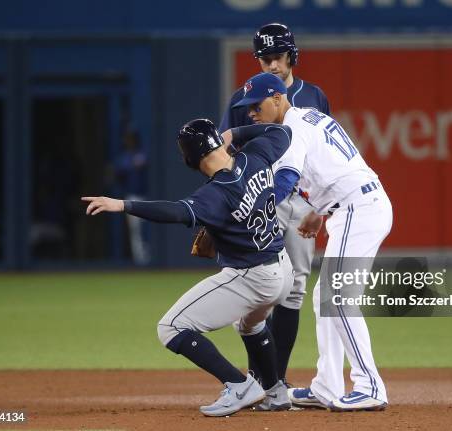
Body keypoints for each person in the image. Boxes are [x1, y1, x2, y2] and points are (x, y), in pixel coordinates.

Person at [82, 119, 295, 416]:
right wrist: (237, 133)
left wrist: (124, 205)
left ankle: (240, 385)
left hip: (253, 275)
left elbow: (178, 212)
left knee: (170, 327)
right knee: (250, 324)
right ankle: (275, 391)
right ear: (219, 142)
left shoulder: (217, 192)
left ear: (190, 160)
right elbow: (282, 131)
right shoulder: (256, 156)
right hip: (283, 269)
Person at [229, 72, 392, 411]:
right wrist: (318, 210)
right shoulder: (307, 116)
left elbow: (287, 177)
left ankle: (370, 386)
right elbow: (332, 163)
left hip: (358, 209)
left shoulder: (294, 128)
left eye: (256, 106)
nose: (251, 113)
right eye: (247, 108)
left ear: (277, 98)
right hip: (353, 204)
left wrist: (257, 208)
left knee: (336, 297)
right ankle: (327, 387)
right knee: (325, 298)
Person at [220, 22, 330, 387]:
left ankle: (275, 382)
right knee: (257, 282)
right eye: (264, 59)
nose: (271, 65)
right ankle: (258, 376)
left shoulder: (313, 95)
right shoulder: (246, 97)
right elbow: (223, 151)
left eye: (277, 58)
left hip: (300, 199)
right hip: (258, 197)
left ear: (291, 56)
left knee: (295, 288)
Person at [113, 128, 150, 264]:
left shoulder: (142, 152)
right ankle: (140, 260)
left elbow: (144, 163)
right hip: (132, 197)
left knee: (148, 229)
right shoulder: (124, 156)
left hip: (147, 196)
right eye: (127, 137)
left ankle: (149, 259)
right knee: (135, 231)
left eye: (131, 137)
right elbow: (119, 172)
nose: (129, 140)